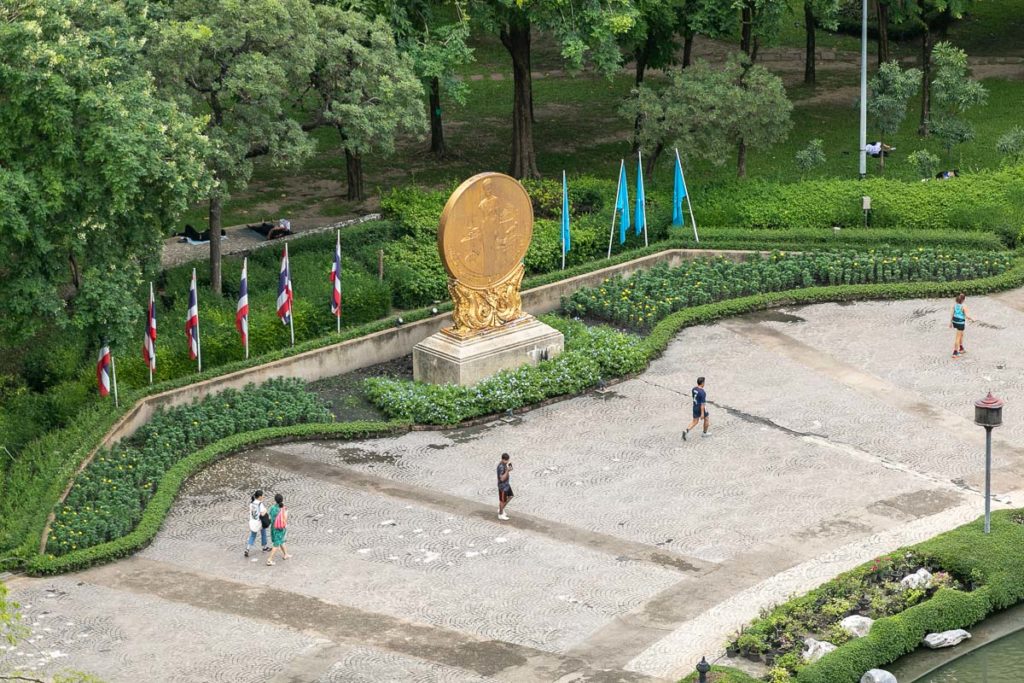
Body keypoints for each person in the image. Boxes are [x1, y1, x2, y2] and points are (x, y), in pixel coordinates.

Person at [266, 493, 292, 565]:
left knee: (281, 541)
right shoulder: (284, 509)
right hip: (280, 528)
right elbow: (285, 519)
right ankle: (269, 559)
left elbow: (270, 517)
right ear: (282, 500)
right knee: (276, 544)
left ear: (275, 500)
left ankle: (286, 554)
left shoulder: (272, 508)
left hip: (273, 527)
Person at [244, 489, 271, 558]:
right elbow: (262, 514)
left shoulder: (251, 503)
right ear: (259, 497)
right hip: (259, 522)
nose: (263, 497)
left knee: (252, 535)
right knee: (263, 533)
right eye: (262, 496)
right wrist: (266, 510)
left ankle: (247, 549)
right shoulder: (260, 504)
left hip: (252, 522)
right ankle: (264, 547)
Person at [950, 293, 975, 359]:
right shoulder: (964, 306)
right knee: (958, 337)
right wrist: (972, 319)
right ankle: (955, 352)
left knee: (961, 334)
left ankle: (961, 348)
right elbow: (967, 316)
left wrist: (950, 322)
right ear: (963, 300)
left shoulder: (954, 305)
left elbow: (952, 314)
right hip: (960, 322)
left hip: (955, 321)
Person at [497, 453, 514, 521]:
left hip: (506, 485)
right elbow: (502, 479)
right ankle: (500, 514)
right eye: (506, 460)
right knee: (502, 501)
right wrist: (507, 470)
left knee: (510, 496)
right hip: (502, 487)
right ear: (502, 459)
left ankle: (501, 509)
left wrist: (508, 468)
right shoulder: (501, 467)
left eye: (507, 460)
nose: (507, 461)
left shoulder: (504, 464)